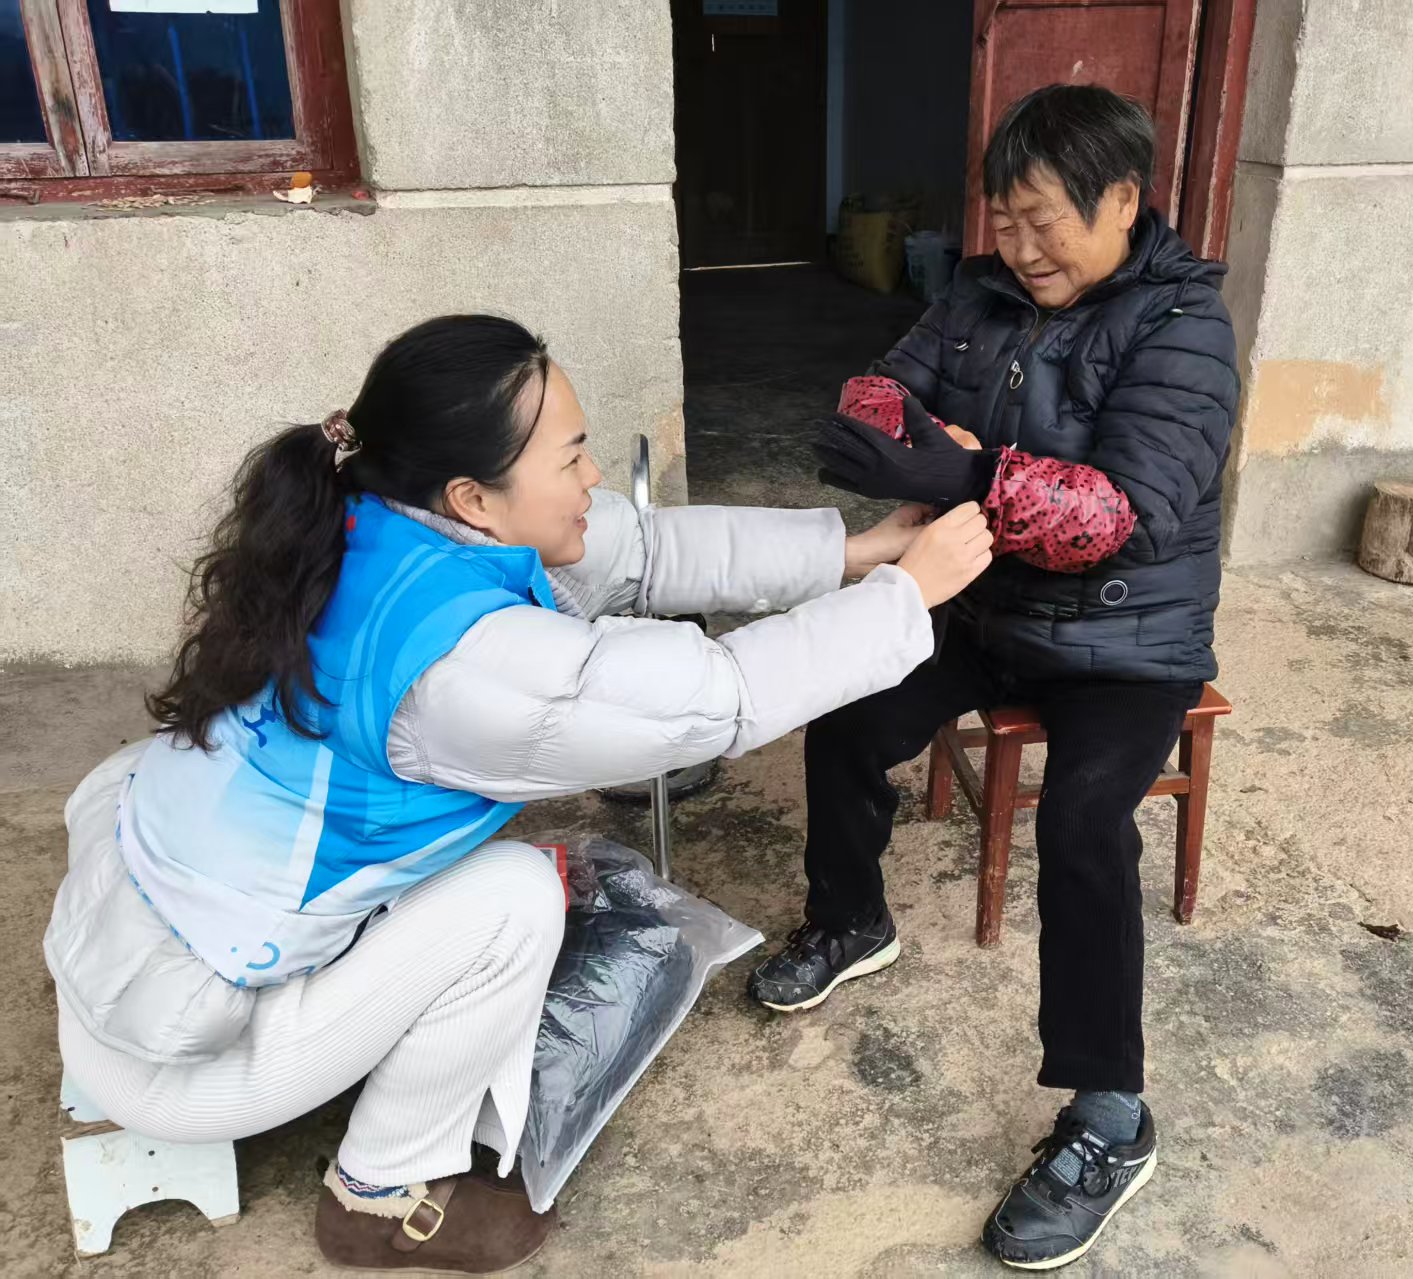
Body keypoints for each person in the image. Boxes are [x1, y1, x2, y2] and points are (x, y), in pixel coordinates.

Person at [43, 314, 993, 1275]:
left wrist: (857, 550)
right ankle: (383, 1193)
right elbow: (721, 699)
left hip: (127, 946)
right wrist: (904, 597)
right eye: (571, 457)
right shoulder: (463, 668)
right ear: (474, 496)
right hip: (185, 1057)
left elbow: (649, 548)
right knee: (513, 899)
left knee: (485, 868)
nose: (593, 476)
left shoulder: (378, 516)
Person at [747, 85, 1240, 1269]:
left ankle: (1109, 1117)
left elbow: (1119, 516)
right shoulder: (976, 293)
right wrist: (923, 446)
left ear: (1120, 202)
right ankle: (849, 918)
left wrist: (968, 472)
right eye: (1003, 219)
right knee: (842, 702)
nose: (1018, 247)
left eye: (1041, 220)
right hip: (983, 602)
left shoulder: (1183, 326)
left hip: (1126, 642)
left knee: (1080, 820)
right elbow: (868, 403)